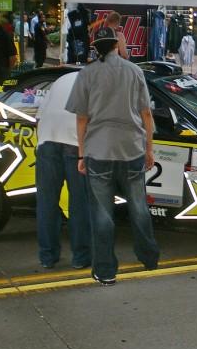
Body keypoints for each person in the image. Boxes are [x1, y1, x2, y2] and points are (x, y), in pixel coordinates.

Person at [66, 27, 160, 286]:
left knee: (102, 214)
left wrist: (81, 155)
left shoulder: (87, 74)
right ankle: (149, 257)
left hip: (99, 150)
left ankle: (106, 271)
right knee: (139, 207)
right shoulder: (134, 71)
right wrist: (149, 149)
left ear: (96, 47)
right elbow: (146, 115)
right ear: (116, 45)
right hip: (131, 149)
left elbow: (81, 118)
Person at [35, 71, 91, 270]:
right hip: (76, 142)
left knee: (46, 202)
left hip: (46, 140)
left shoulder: (61, 79)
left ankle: (47, 256)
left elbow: (39, 116)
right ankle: (81, 257)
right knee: (79, 202)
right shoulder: (97, 80)